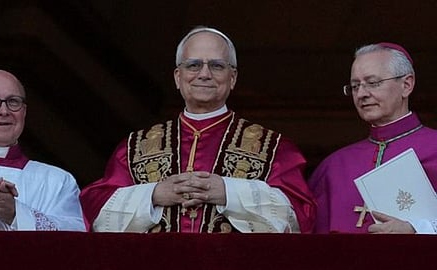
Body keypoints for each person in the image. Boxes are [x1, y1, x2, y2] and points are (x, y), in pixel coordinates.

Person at [80, 26, 316, 233]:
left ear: (232, 78)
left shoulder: (273, 147)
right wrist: (153, 195)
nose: (204, 74)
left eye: (216, 65)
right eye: (193, 65)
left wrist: (229, 193)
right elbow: (94, 211)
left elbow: (301, 215)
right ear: (177, 76)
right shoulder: (135, 147)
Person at [308, 42, 437, 234]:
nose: (361, 94)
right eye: (354, 86)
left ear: (406, 85)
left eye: (373, 83)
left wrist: (417, 230)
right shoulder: (333, 167)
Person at [0, 69, 86, 231]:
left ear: (24, 112)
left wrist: (17, 215)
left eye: (13, 102)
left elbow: (76, 238)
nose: (4, 111)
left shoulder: (58, 181)